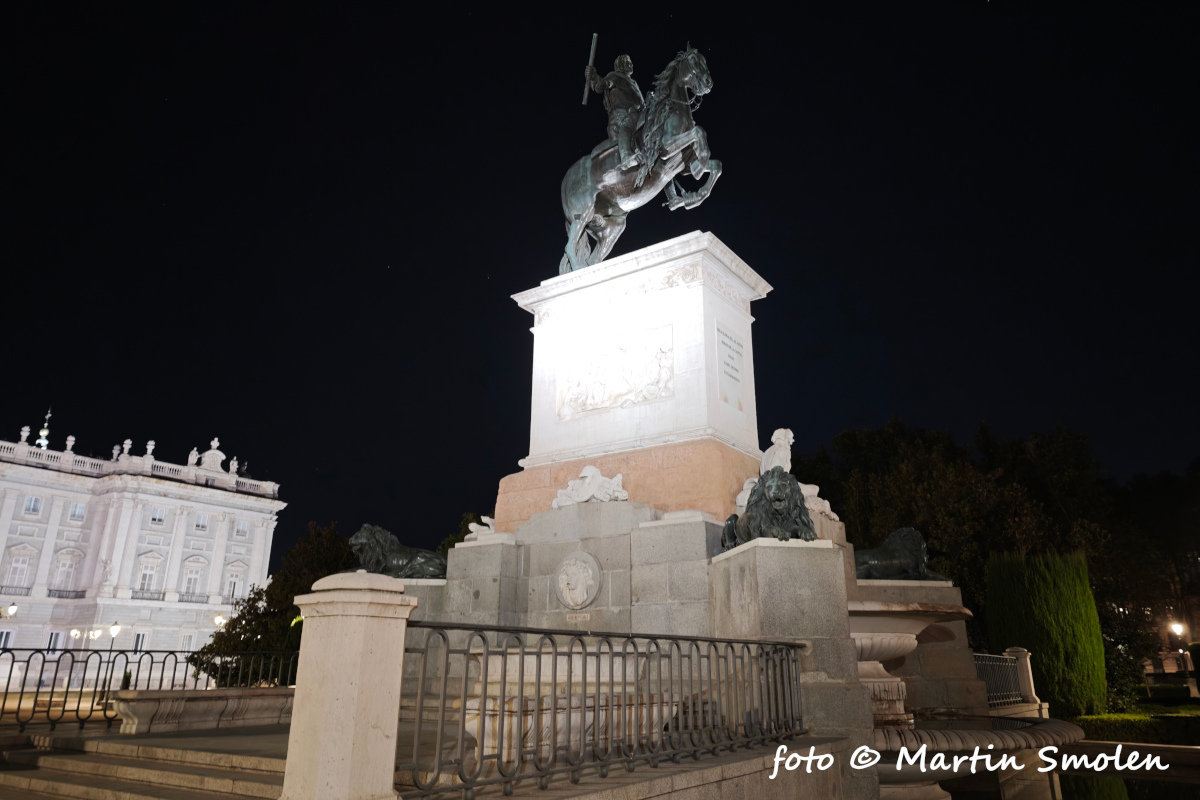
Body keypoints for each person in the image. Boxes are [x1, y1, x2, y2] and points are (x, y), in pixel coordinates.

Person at [586, 54, 644, 170]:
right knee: (626, 124)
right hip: (621, 115)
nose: (631, 64)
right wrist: (593, 77)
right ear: (621, 65)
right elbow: (602, 85)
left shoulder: (634, 83)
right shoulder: (615, 76)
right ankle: (626, 157)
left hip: (637, 114)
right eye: (628, 62)